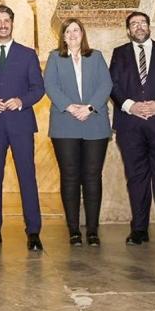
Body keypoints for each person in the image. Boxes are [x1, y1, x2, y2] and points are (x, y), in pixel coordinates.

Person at [0, 4, 46, 252]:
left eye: (6, 21)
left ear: (12, 23)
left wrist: (21, 101)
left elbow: (38, 88)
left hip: (21, 124)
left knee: (27, 177)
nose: (2, 25)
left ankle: (33, 231)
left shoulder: (27, 55)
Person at [109, 11, 155, 247]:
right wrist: (131, 106)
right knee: (136, 178)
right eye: (134, 24)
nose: (139, 27)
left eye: (143, 23)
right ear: (128, 30)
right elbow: (113, 85)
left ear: (149, 27)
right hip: (131, 126)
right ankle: (139, 229)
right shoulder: (119, 53)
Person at [43, 18, 113, 247]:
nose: (72, 34)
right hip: (65, 123)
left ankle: (92, 230)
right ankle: (73, 230)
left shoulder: (97, 56)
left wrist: (90, 107)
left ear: (82, 34)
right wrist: (71, 107)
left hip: (94, 122)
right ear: (62, 36)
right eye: (68, 31)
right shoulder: (54, 58)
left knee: (92, 177)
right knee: (70, 177)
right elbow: (50, 86)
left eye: (76, 30)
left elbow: (106, 84)